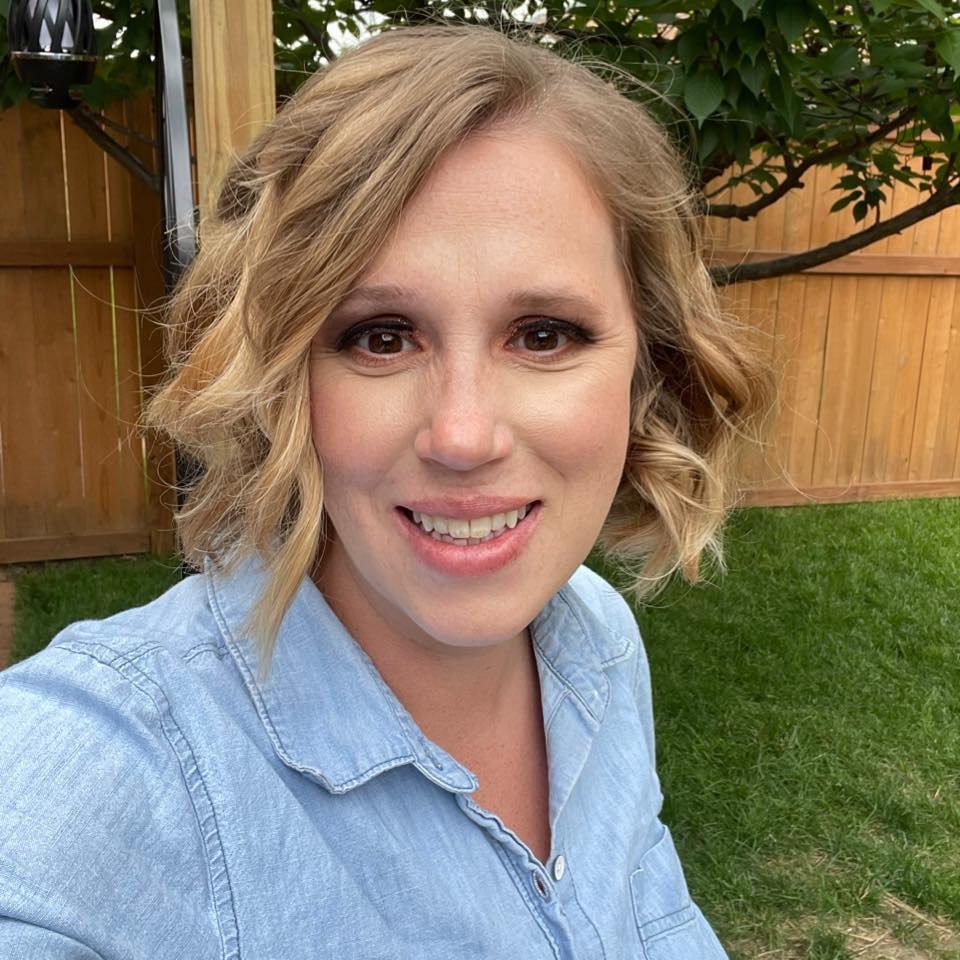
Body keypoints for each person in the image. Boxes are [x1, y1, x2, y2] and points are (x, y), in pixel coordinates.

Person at [0, 23, 772, 959]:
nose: (461, 434)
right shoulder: (113, 765)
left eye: (542, 335)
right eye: (380, 336)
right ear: (284, 378)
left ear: (651, 365)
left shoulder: (596, 644)